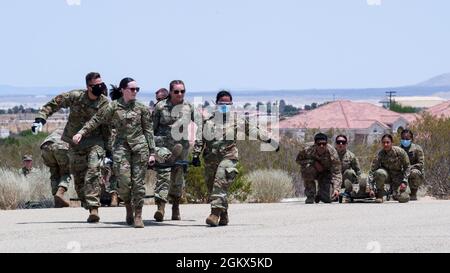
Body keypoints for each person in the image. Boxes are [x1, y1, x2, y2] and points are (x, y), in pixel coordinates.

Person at [73, 77, 156, 228]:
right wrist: (81, 133)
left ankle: (138, 214)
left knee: (138, 183)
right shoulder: (113, 107)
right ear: (123, 90)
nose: (135, 91)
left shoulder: (142, 108)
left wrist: (152, 152)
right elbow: (96, 119)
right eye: (132, 89)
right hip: (121, 149)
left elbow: (148, 131)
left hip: (140, 148)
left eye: (137, 89)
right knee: (124, 182)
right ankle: (128, 206)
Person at [32, 72, 111, 223]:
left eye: (101, 84)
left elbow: (107, 127)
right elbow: (55, 103)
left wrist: (109, 150)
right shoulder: (76, 96)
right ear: (88, 87)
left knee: (93, 172)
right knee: (80, 179)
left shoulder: (104, 103)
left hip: (96, 142)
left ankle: (94, 209)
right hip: (75, 144)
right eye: (96, 85)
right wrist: (40, 119)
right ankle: (87, 203)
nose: (100, 87)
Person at [193, 90, 279, 226]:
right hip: (210, 158)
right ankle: (224, 214)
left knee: (219, 184)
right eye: (222, 103)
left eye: (228, 103)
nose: (225, 106)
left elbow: (253, 130)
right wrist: (196, 155)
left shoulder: (236, 120)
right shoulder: (208, 122)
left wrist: (269, 140)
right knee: (212, 188)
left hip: (228, 156)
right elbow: (200, 139)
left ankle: (214, 214)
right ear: (216, 104)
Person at [151, 80, 195, 222]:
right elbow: (152, 128)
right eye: (176, 91)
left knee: (178, 177)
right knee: (163, 175)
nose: (179, 94)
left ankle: (175, 207)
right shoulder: (160, 106)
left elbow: (200, 123)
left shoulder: (188, 107)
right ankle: (160, 208)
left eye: (182, 91)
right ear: (170, 92)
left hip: (181, 148)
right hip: (163, 146)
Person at [296, 133, 342, 204]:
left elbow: (337, 172)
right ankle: (310, 195)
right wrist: (313, 162)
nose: (321, 146)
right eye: (319, 144)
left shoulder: (332, 152)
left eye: (324, 144)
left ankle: (320, 195)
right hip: (312, 171)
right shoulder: (306, 149)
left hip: (326, 173)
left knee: (327, 199)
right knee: (307, 168)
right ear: (315, 144)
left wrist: (336, 189)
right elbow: (298, 160)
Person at [369, 134, 411, 203]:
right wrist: (371, 188)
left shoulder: (400, 152)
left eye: (388, 142)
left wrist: (404, 181)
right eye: (383, 143)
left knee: (404, 198)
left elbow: (407, 167)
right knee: (380, 172)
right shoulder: (380, 154)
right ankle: (380, 195)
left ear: (392, 143)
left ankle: (392, 194)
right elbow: (372, 171)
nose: (385, 144)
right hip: (386, 177)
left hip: (398, 178)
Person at [40, 128, 71, 208]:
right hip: (60, 146)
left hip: (45, 147)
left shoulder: (58, 129)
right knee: (66, 172)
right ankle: (60, 193)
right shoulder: (73, 128)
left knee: (54, 173)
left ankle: (57, 200)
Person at [334, 135, 362, 202]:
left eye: (343, 142)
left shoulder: (351, 156)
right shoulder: (331, 155)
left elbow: (358, 171)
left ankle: (347, 193)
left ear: (346, 144)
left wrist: (361, 185)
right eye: (338, 142)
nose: (341, 144)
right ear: (335, 144)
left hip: (346, 181)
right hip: (334, 181)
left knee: (349, 172)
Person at [399, 129, 424, 201]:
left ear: (411, 139)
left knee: (415, 172)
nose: (405, 141)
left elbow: (421, 164)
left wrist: (409, 168)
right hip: (401, 171)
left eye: (407, 139)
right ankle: (395, 192)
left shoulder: (417, 149)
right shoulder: (398, 149)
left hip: (413, 171)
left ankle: (413, 193)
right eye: (403, 139)